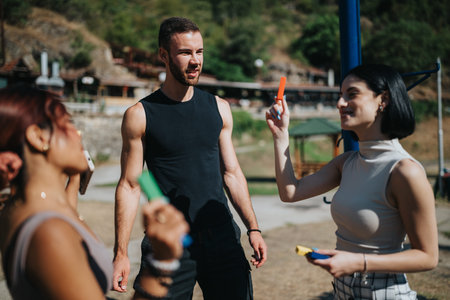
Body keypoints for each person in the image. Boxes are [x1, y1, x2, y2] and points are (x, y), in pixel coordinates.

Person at [113, 16, 267, 299]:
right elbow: (130, 185)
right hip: (171, 242)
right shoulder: (140, 115)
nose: (195, 61)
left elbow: (231, 173)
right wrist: (121, 253)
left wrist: (253, 228)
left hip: (221, 235)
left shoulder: (219, 108)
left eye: (199, 52)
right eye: (185, 52)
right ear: (164, 55)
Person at [0, 85, 188, 300]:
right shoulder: (49, 234)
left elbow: (63, 208)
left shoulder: (18, 207)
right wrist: (160, 264)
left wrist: (72, 175)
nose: (77, 133)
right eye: (66, 123)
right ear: (39, 137)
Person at [266, 64, 438, 299]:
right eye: (340, 95)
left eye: (352, 94)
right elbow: (291, 192)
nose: (340, 103)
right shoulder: (346, 162)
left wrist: (358, 262)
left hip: (384, 293)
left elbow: (428, 257)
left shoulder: (405, 171)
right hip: (343, 291)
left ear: (383, 100)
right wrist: (280, 135)